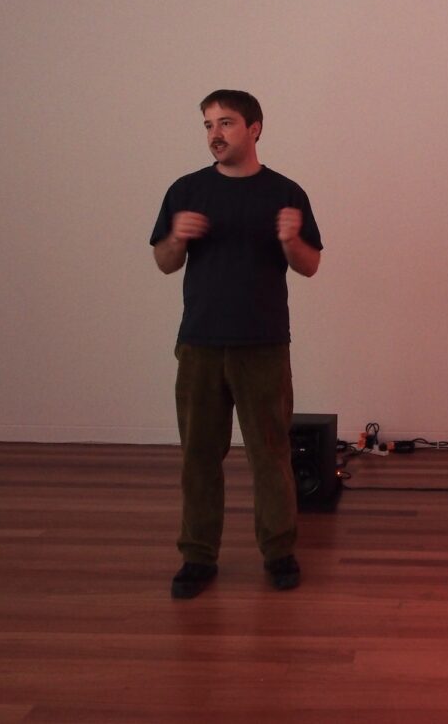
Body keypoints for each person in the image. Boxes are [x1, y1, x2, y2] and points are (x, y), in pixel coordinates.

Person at [150, 89, 323, 599]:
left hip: (264, 344)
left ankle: (279, 551)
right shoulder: (186, 191)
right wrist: (176, 238)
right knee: (199, 456)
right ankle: (198, 557)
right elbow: (163, 262)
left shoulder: (286, 192)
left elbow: (310, 265)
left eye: (225, 123)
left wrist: (291, 240)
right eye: (207, 125)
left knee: (270, 455)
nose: (215, 134)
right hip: (200, 343)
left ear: (255, 129)